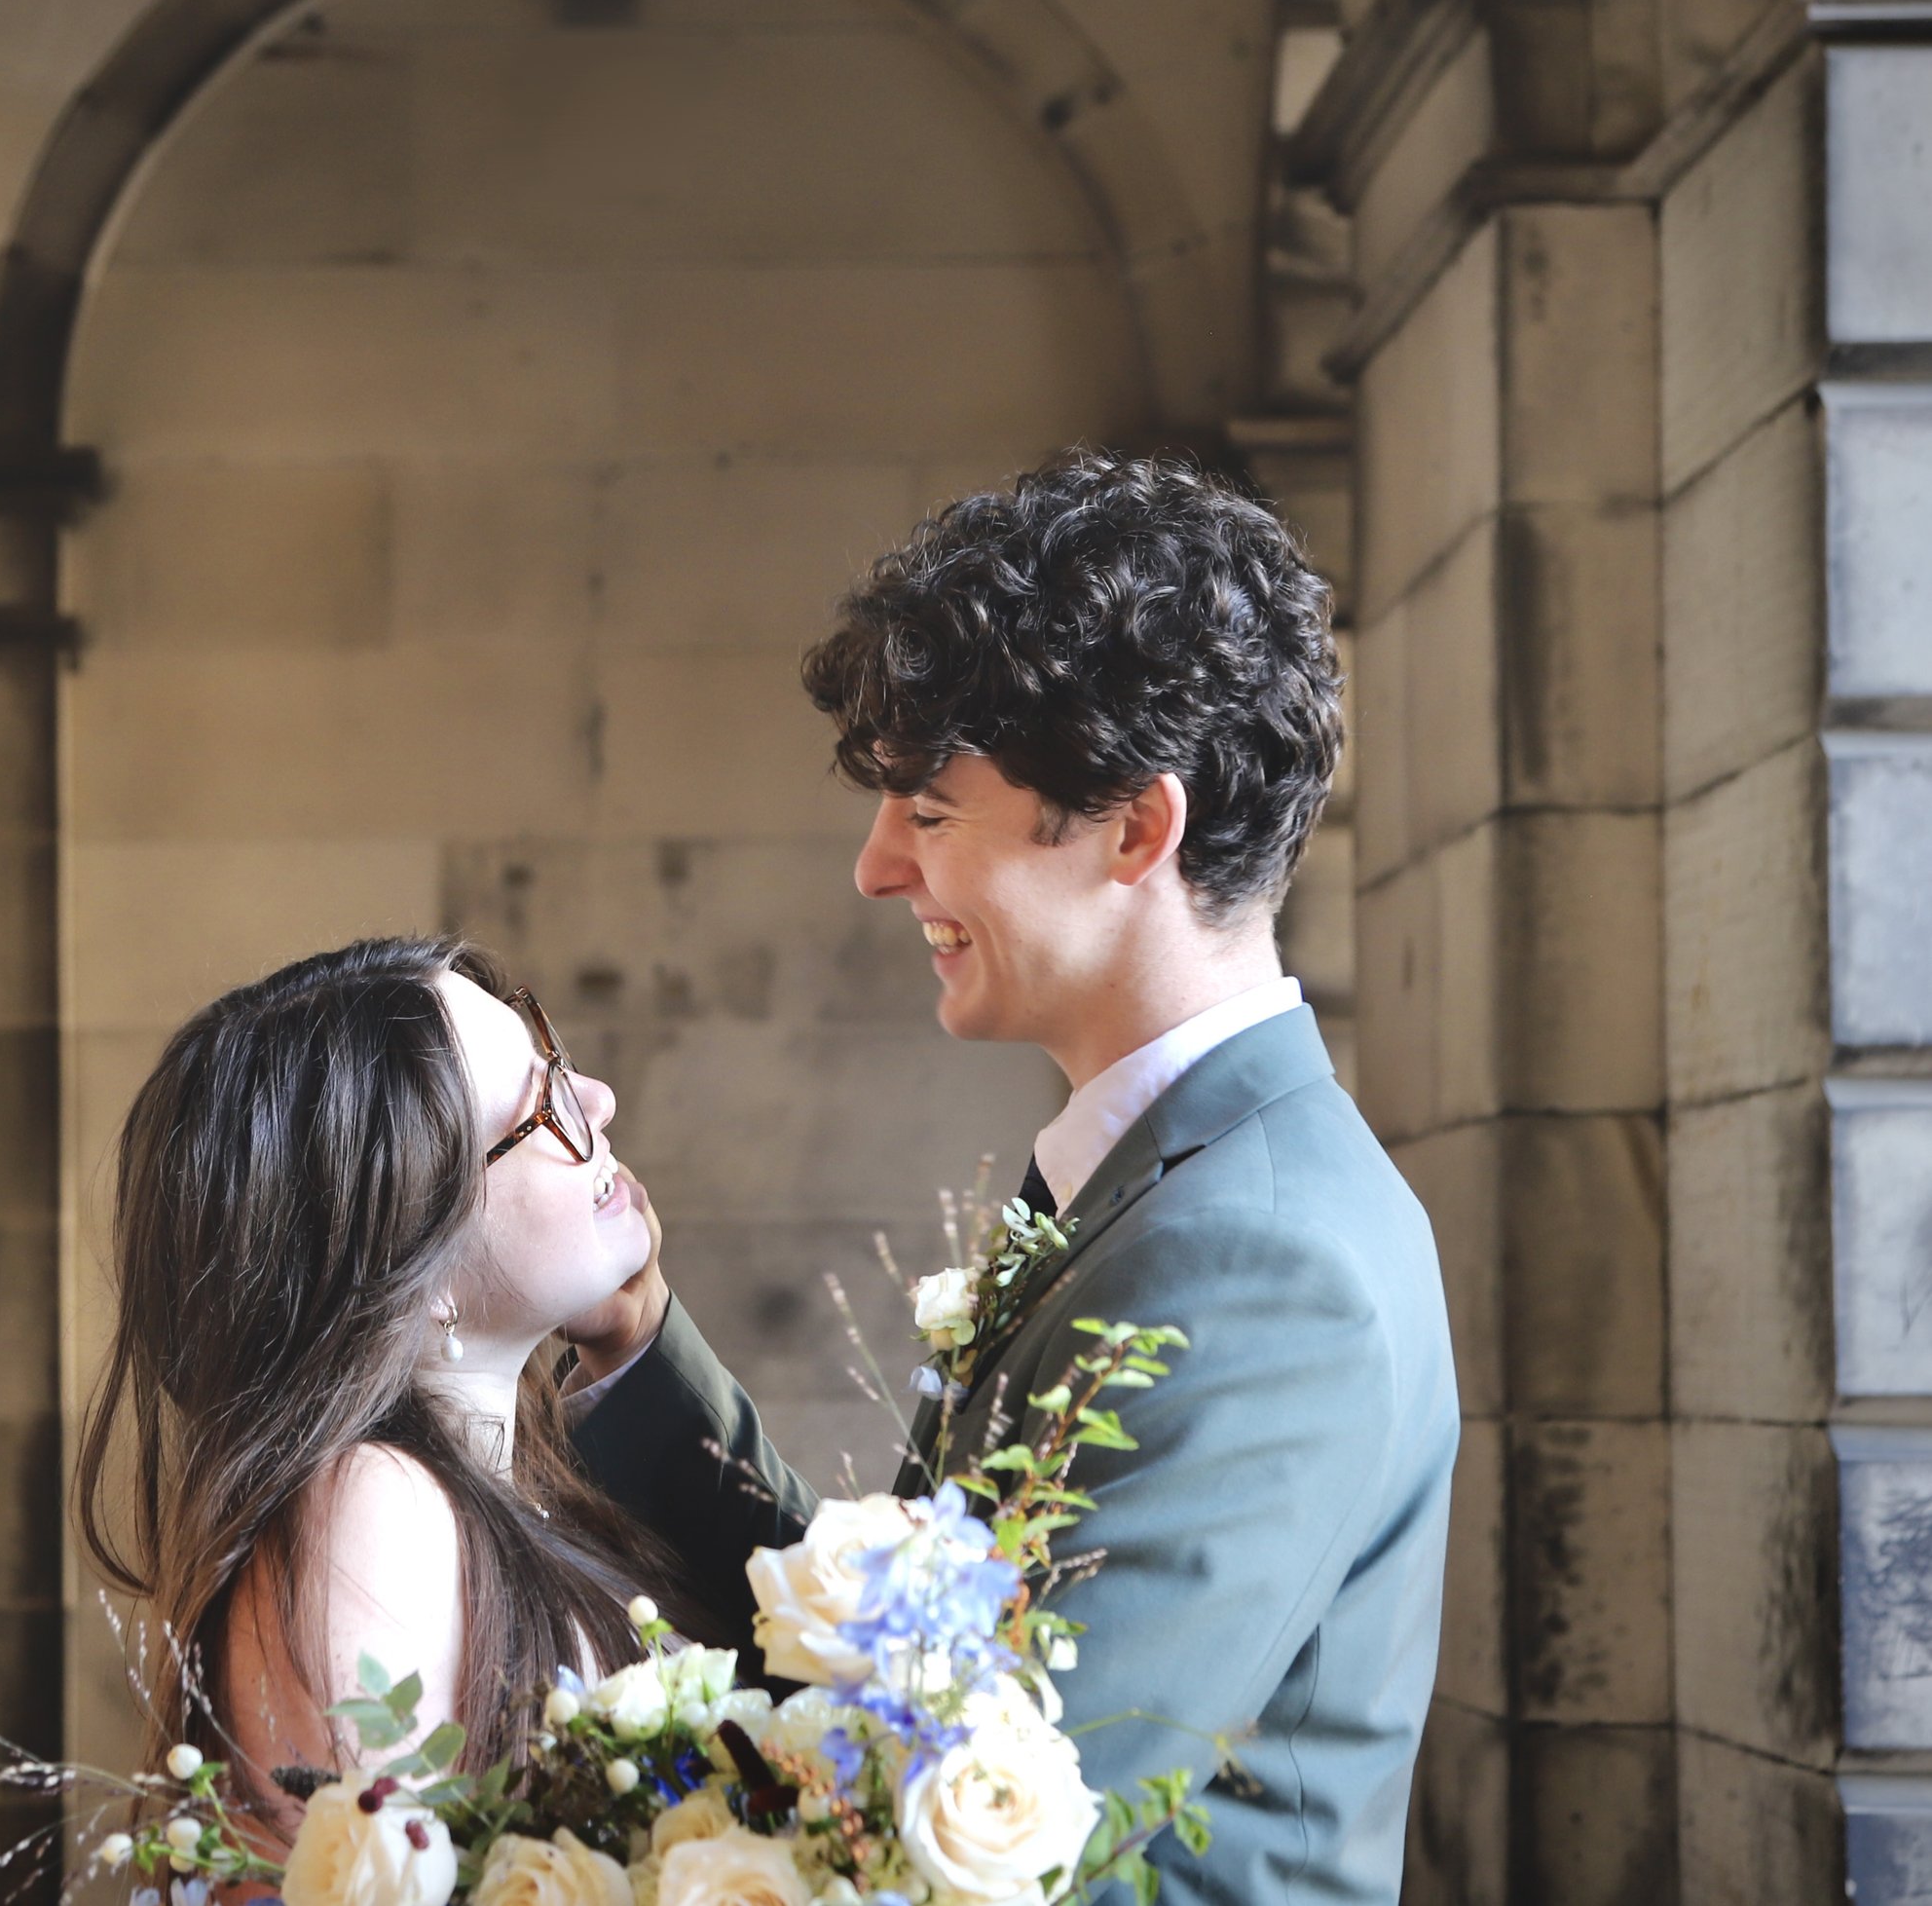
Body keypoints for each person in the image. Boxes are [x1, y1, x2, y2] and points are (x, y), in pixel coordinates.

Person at [568, 453, 1462, 1905]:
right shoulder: (1180, 1185)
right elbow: (899, 1685)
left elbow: (990, 1831)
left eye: (928, 812)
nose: (873, 867)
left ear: (1136, 824)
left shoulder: (1262, 1255)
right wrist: (627, 1347)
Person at [72, 936, 723, 1825]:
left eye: (556, 1060)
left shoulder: (522, 1486)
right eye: (543, 1105)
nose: (598, 1099)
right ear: (419, 1268)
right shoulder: (368, 1509)